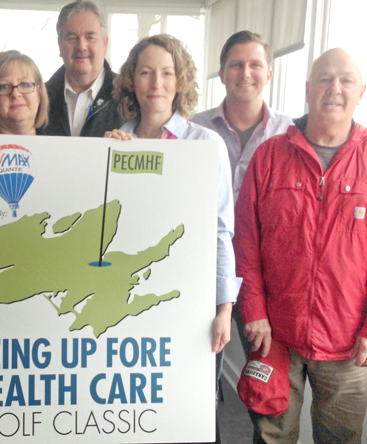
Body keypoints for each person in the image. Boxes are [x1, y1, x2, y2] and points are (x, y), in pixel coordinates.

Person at [234, 48, 367, 443]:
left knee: (340, 439)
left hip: (348, 341)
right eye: (324, 79)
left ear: (362, 93)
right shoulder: (270, 156)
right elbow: (246, 243)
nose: (334, 89)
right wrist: (253, 310)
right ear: (307, 89)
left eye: (346, 80)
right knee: (272, 436)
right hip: (276, 334)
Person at [106, 34, 241, 442]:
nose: (156, 83)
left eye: (166, 73)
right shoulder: (114, 141)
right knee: (133, 406)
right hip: (128, 296)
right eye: (145, 73)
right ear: (131, 80)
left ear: (180, 81)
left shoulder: (205, 144)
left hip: (188, 301)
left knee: (186, 407)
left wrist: (224, 308)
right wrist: (103, 160)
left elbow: (221, 230)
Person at [192, 31, 293, 360]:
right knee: (200, 365)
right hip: (204, 270)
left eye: (255, 65)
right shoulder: (194, 131)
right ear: (221, 74)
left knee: (267, 377)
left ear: (269, 73)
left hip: (265, 277)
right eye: (235, 65)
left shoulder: (290, 135)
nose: (245, 73)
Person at [43, 0, 124, 137]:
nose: (81, 46)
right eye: (72, 38)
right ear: (59, 45)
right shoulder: (39, 98)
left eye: (90, 37)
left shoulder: (127, 96)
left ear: (105, 44)